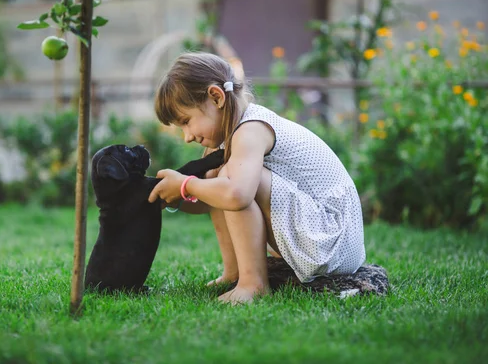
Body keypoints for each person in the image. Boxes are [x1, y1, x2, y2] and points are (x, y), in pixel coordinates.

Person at [147, 52, 365, 304]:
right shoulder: (232, 136)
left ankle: (253, 284)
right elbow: (211, 199)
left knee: (230, 179)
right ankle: (235, 273)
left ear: (216, 97)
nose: (187, 136)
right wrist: (178, 195)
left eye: (186, 122)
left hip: (332, 242)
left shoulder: (251, 130)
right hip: (325, 238)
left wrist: (187, 183)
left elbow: (237, 195)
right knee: (219, 180)